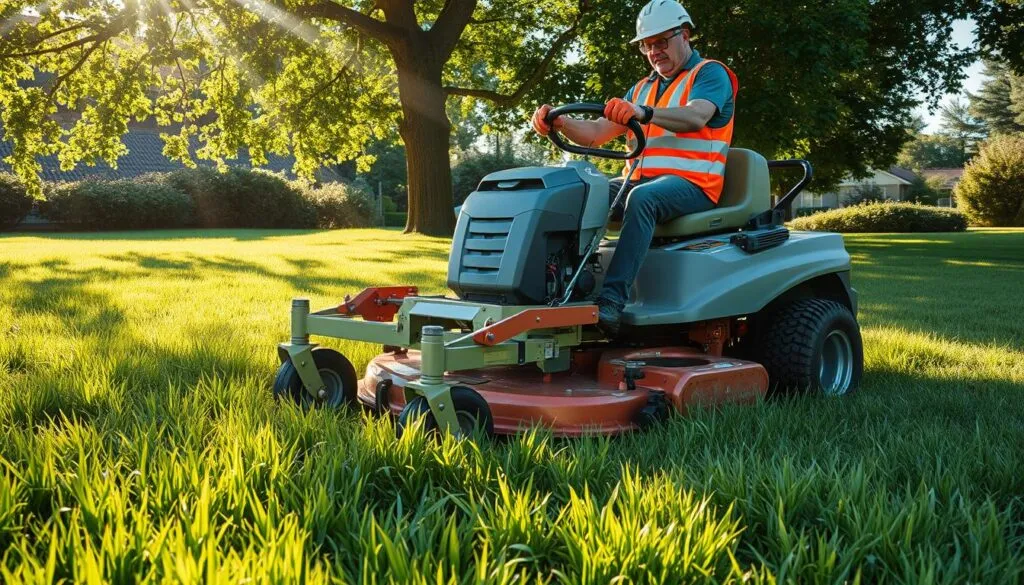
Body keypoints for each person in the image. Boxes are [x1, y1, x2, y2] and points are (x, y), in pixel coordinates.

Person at [530, 0, 738, 335]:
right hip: (641, 181)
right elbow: (596, 133)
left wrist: (645, 113)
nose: (654, 52)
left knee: (642, 198)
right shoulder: (641, 88)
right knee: (573, 192)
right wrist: (560, 121)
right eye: (646, 45)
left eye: (661, 42)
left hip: (695, 185)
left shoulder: (710, 74)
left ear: (684, 35)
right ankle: (552, 289)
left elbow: (696, 115)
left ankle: (611, 302)